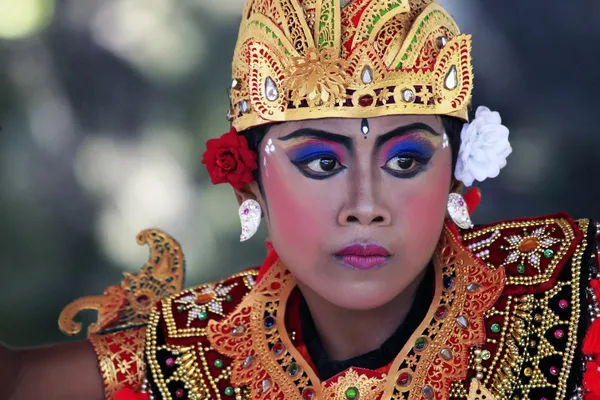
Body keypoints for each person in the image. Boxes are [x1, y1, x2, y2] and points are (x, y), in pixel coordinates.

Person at [1, 0, 599, 399]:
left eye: (406, 161)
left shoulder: (570, 291)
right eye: (321, 162)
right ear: (249, 181)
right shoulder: (198, 354)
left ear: (454, 173)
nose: (366, 205)